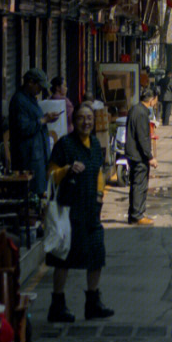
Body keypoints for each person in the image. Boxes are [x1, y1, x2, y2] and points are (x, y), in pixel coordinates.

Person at [46, 100, 114, 322]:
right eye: (81, 118)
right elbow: (51, 174)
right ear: (74, 121)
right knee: (62, 257)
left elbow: (99, 174)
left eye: (89, 118)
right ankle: (57, 304)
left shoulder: (95, 144)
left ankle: (92, 302)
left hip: (90, 210)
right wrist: (67, 169)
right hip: (68, 209)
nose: (86, 122)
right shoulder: (65, 145)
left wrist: (99, 197)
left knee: (97, 254)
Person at [7, 68, 58, 196]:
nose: (41, 90)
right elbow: (23, 128)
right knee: (32, 191)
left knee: (40, 189)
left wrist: (45, 118)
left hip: (37, 154)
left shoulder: (30, 99)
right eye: (39, 86)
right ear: (30, 82)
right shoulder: (19, 101)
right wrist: (43, 120)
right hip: (28, 157)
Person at [126, 84, 157, 226]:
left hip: (132, 154)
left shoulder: (134, 108)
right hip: (139, 156)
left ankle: (133, 214)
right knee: (140, 185)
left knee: (135, 184)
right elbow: (143, 137)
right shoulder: (142, 113)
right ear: (152, 100)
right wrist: (150, 157)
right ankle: (138, 215)